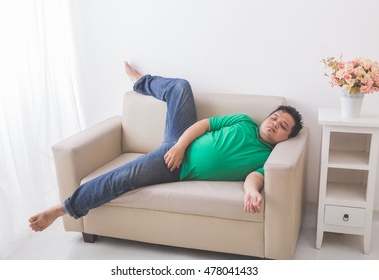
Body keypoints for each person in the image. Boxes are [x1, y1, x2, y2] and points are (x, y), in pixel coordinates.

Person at [29, 62, 303, 232]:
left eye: (282, 126)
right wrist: (181, 145)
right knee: (180, 87)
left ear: (286, 138)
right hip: (180, 142)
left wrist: (252, 193)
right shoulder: (243, 121)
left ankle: (62, 209)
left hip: (174, 167)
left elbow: (254, 178)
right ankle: (141, 82)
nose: (274, 124)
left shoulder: (268, 158)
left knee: (123, 177)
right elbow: (204, 125)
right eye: (275, 118)